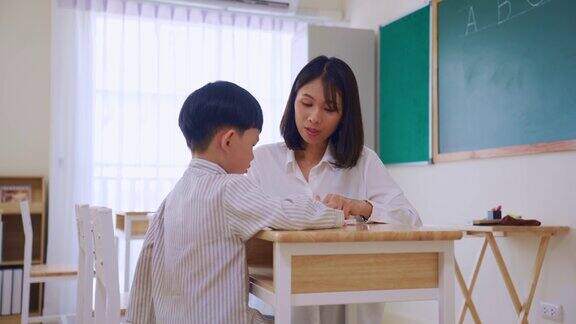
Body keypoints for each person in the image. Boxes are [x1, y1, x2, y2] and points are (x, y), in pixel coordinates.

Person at [126, 81, 347, 324]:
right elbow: (287, 213)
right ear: (229, 140)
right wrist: (334, 212)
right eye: (252, 144)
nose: (253, 156)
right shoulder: (230, 188)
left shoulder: (172, 197)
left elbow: (145, 269)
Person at [247, 56, 422, 324]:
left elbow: (411, 220)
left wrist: (361, 207)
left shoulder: (363, 162)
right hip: (283, 307)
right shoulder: (261, 161)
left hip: (350, 307)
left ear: (344, 116)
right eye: (306, 103)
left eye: (329, 109)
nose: (314, 118)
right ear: (293, 100)